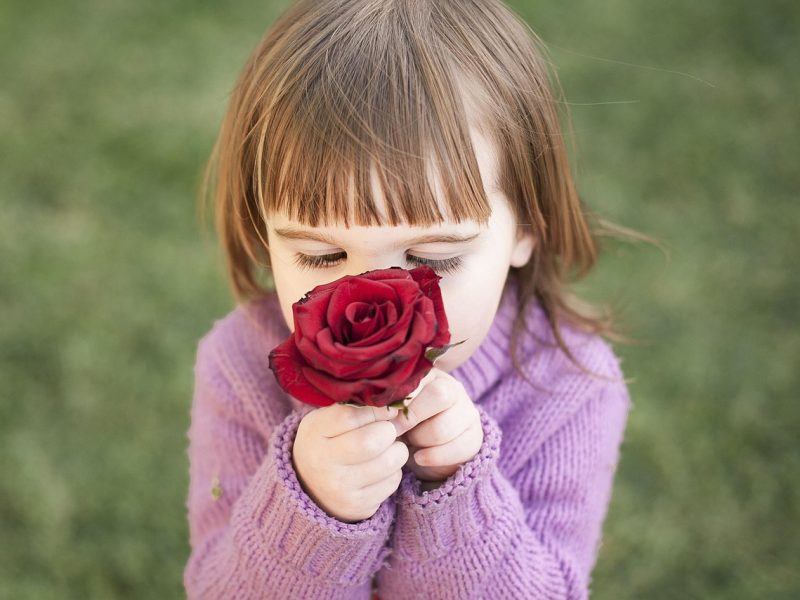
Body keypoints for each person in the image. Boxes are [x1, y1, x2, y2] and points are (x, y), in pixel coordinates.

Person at [184, 0, 633, 598]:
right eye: (321, 256)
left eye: (432, 259)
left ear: (527, 226)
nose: (368, 293)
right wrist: (310, 503)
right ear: (263, 232)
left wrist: (455, 491)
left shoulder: (569, 386)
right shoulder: (241, 365)